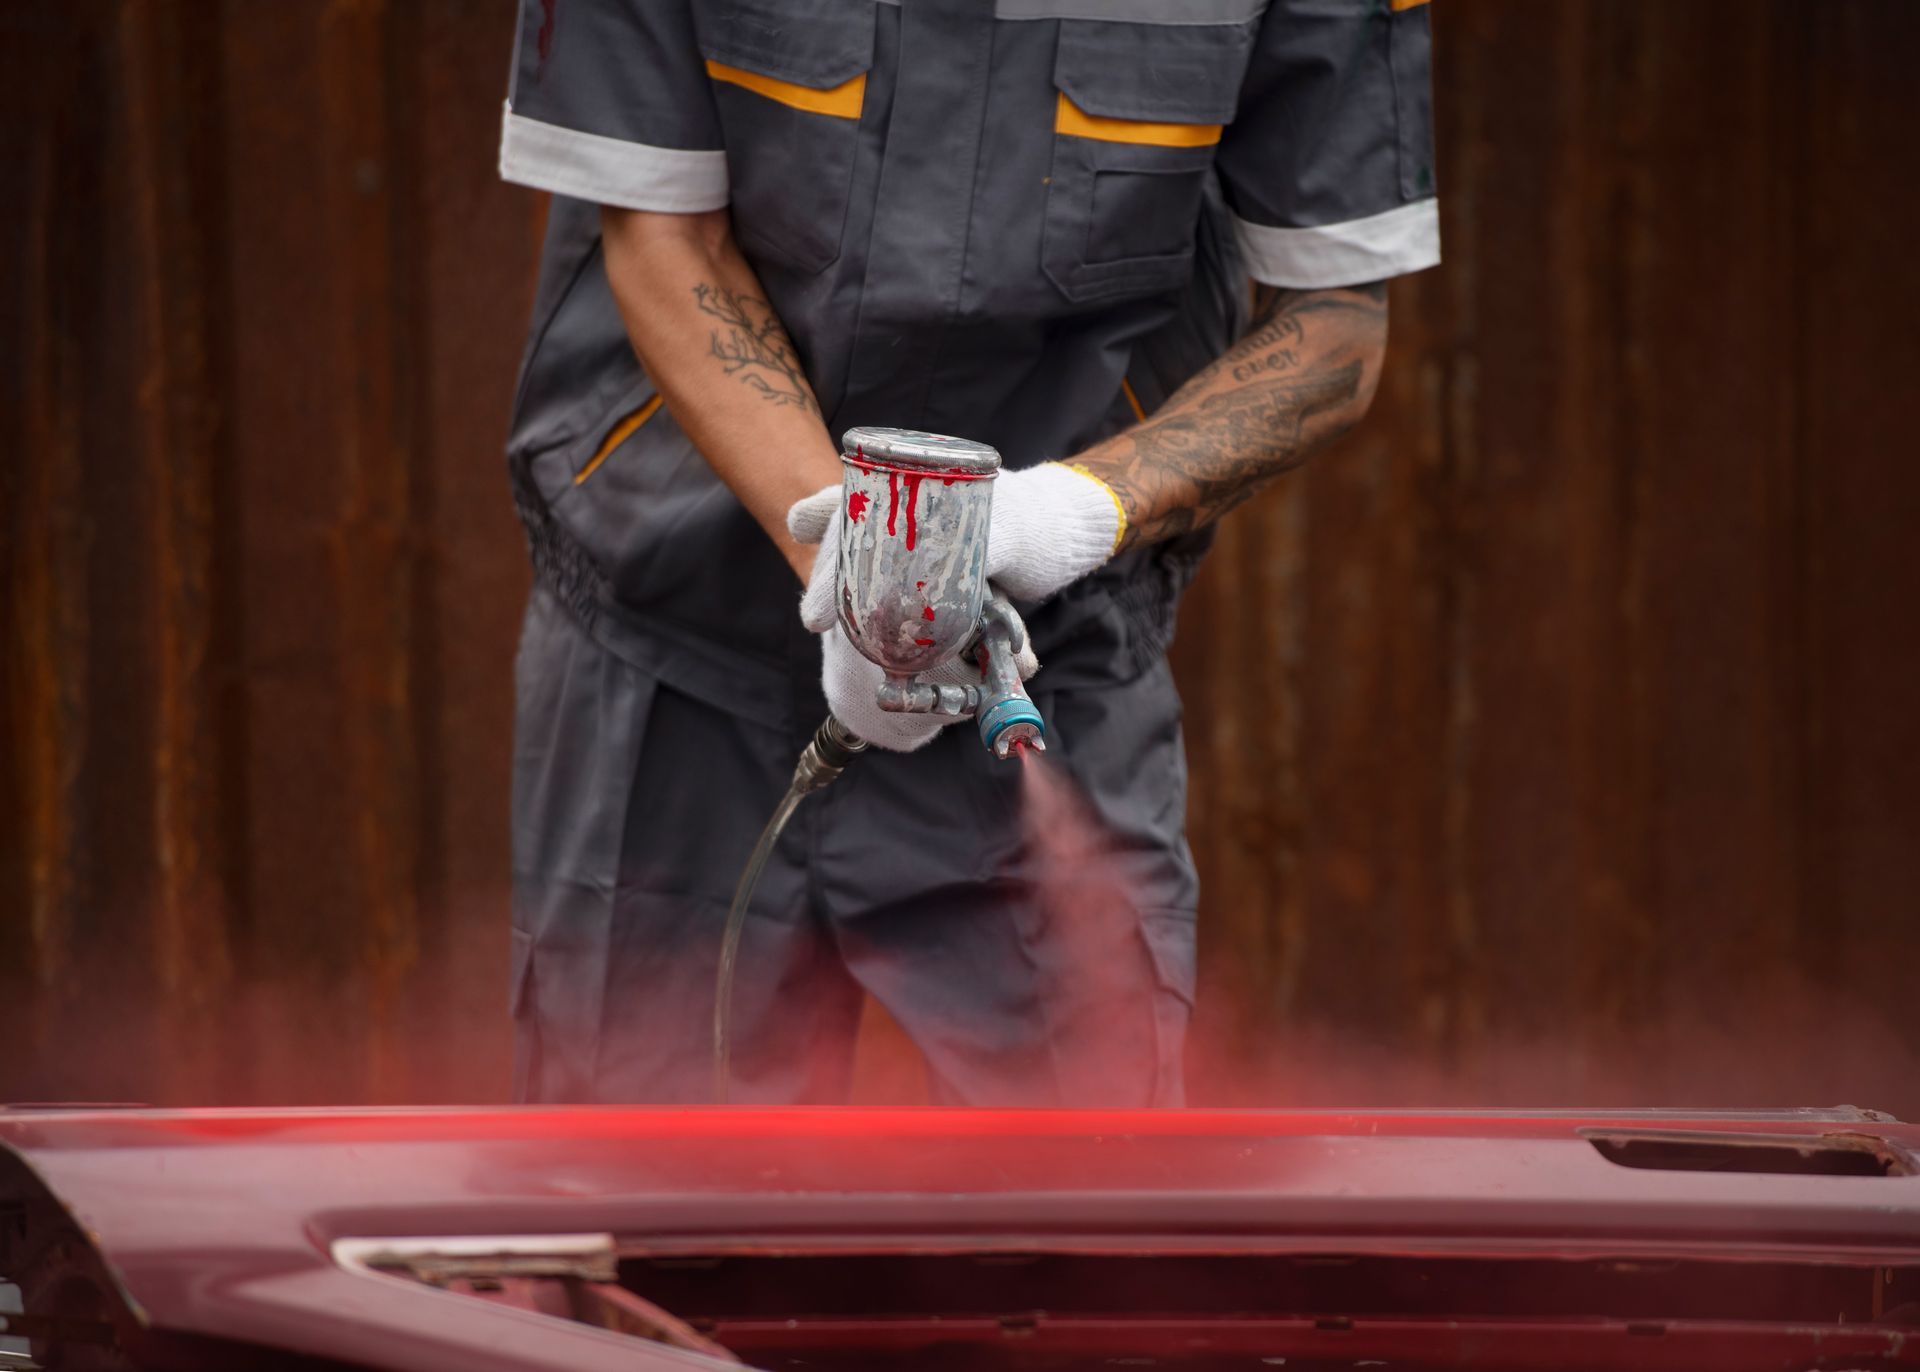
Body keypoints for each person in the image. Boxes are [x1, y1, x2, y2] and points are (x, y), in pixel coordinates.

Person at [496, 0, 1439, 1106]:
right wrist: (861, 571)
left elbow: (1334, 320)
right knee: (647, 1211)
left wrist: (1077, 510)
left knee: (1089, 1216)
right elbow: (665, 232)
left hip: (1045, 656)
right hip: (675, 650)